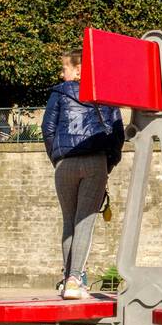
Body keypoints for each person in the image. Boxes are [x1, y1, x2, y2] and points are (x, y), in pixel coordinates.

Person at [43, 49, 125, 301]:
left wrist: (57, 157)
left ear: (79, 70)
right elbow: (117, 132)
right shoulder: (105, 95)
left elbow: (47, 128)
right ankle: (75, 279)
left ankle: (67, 277)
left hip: (65, 163)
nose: (61, 72)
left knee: (68, 222)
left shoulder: (58, 94)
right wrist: (108, 163)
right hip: (94, 161)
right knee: (84, 224)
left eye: (65, 67)